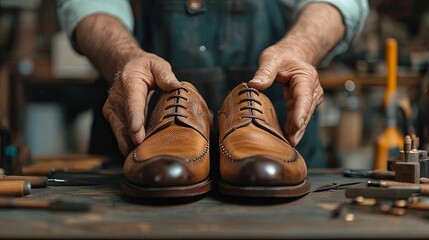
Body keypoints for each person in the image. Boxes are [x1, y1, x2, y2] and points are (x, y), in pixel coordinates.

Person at [57, 0, 369, 198]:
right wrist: (123, 57)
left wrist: (301, 48)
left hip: (277, 120)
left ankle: (250, 110)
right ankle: (178, 107)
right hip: (143, 117)